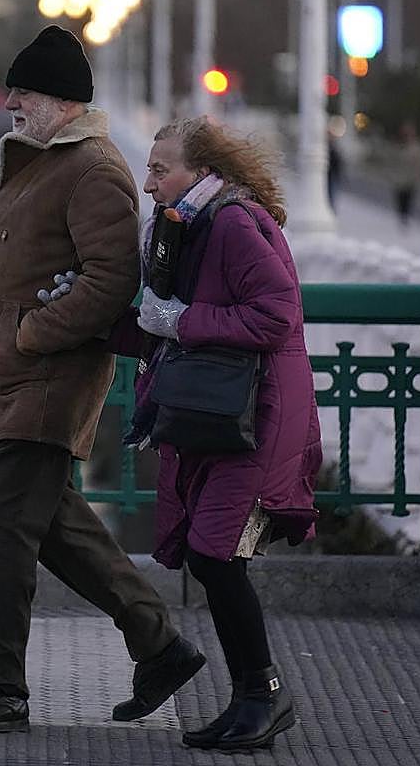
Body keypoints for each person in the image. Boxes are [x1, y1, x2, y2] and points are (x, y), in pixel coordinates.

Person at [0, 25, 205, 735]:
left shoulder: (92, 169)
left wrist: (31, 334)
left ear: (56, 98)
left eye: (20, 91)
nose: (9, 102)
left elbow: (113, 280)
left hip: (47, 380)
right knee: (54, 528)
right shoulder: (44, 160)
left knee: (0, 529)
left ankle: (1, 690)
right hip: (16, 378)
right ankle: (160, 645)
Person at [92, 116, 321, 750]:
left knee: (216, 553)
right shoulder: (188, 228)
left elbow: (275, 316)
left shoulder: (232, 223)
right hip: (221, 416)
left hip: (259, 416)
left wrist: (181, 318)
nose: (147, 182)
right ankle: (253, 697)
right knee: (207, 553)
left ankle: (263, 697)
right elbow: (162, 328)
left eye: (160, 169)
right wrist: (88, 316)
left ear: (201, 172)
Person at [392, 120, 420, 228]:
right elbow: (393, 161)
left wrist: (418, 177)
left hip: (410, 180)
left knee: (407, 200)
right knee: (400, 200)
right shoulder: (399, 145)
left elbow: (419, 164)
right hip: (400, 179)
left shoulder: (416, 147)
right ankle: (402, 218)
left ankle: (405, 219)